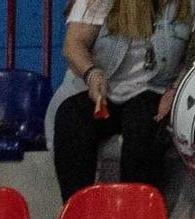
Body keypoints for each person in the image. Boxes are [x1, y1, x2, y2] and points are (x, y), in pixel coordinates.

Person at [48, 0, 183, 201]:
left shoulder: (186, 4)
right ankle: (77, 215)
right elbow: (73, 45)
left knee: (146, 123)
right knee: (71, 116)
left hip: (155, 89)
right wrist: (92, 74)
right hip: (101, 88)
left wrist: (176, 89)